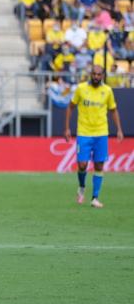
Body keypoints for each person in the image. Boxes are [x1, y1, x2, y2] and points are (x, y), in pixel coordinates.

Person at [64, 65, 124, 208]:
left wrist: (119, 129)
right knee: (83, 164)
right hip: (84, 132)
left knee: (99, 165)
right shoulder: (81, 88)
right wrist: (67, 128)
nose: (96, 77)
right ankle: (81, 187)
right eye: (94, 74)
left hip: (101, 132)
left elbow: (113, 110)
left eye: (99, 74)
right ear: (90, 74)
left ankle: (95, 198)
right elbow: (70, 107)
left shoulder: (107, 91)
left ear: (102, 75)